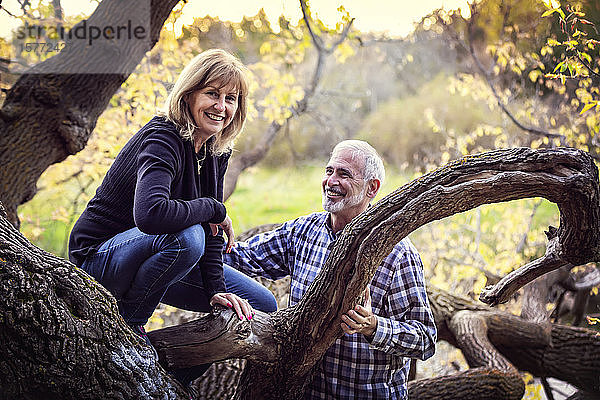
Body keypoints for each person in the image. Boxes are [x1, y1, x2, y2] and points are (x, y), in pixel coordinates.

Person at [68, 49, 277, 383]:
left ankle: (175, 382)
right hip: (99, 259)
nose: (221, 107)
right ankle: (127, 329)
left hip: (156, 258)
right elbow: (151, 215)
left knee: (257, 304)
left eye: (231, 98)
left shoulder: (214, 151)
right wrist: (214, 208)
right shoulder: (162, 137)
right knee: (186, 237)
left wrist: (215, 289)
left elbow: (209, 229)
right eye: (212, 94)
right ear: (189, 94)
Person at [224, 140, 437, 399]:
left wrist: (373, 327)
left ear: (372, 188)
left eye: (344, 174)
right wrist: (200, 229)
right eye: (329, 171)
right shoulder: (304, 231)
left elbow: (425, 340)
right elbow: (241, 257)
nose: (331, 181)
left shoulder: (398, 254)